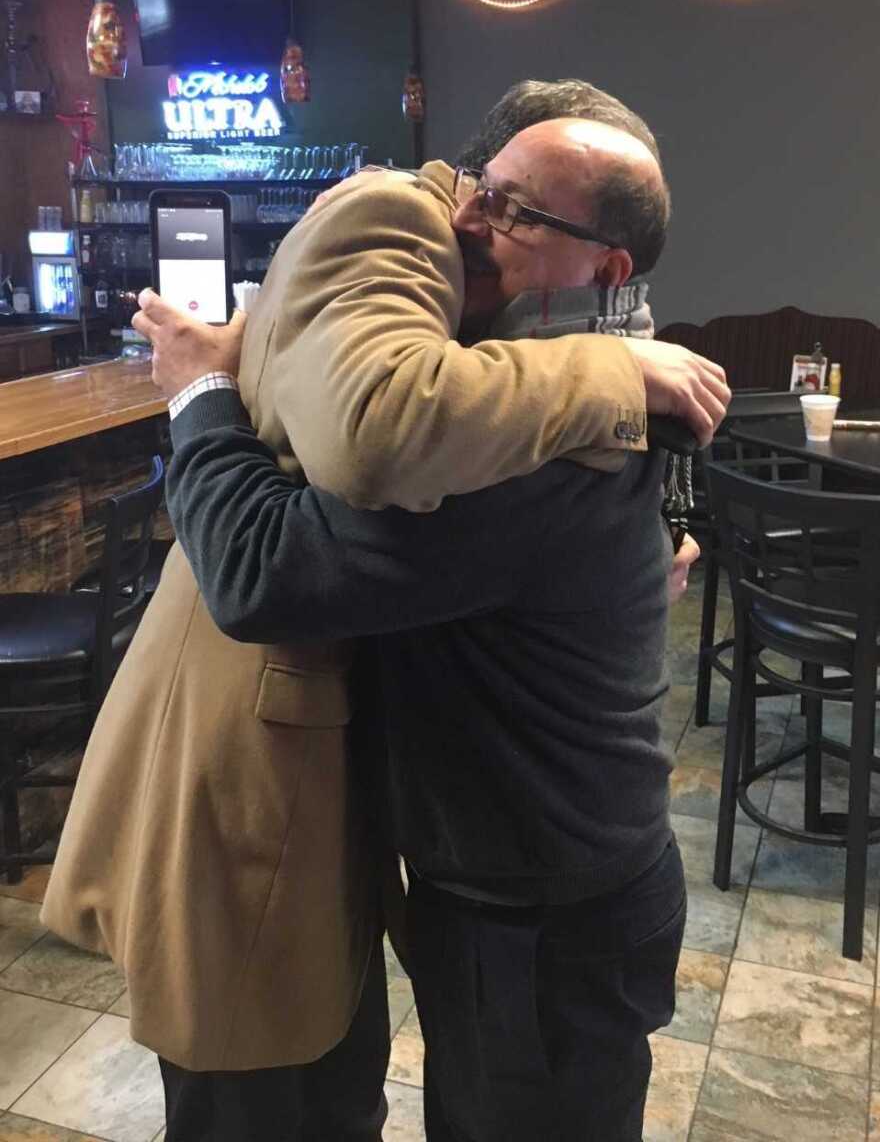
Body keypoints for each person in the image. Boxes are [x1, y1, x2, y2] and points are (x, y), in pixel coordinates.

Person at [40, 79, 726, 1140]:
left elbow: (263, 568)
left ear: (608, 267)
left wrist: (203, 398)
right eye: (480, 187)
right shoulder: (549, 383)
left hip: (542, 911)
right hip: (521, 886)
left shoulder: (532, 450)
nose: (466, 219)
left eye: (516, 212)